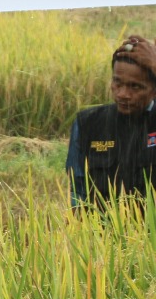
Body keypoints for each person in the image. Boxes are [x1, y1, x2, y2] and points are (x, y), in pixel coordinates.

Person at [66, 35, 156, 211]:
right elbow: (77, 190)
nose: (122, 94)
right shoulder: (88, 123)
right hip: (101, 227)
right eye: (117, 82)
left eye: (135, 86)